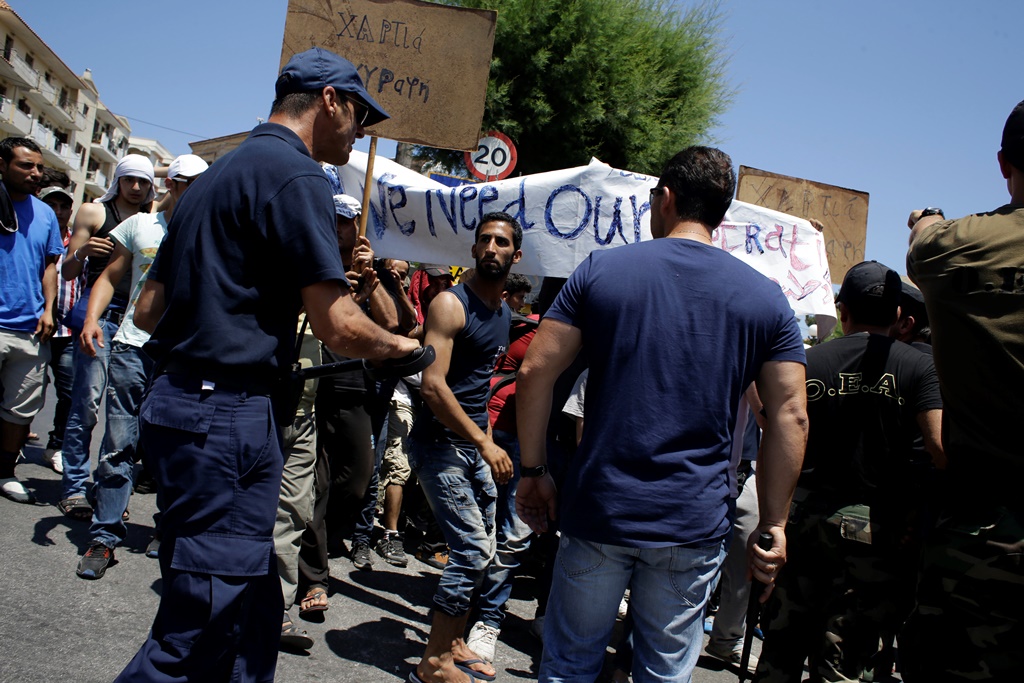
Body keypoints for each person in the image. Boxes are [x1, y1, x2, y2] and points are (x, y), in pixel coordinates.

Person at [114, 47, 418, 682]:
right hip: (225, 416)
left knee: (252, 610)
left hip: (181, 408)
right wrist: (404, 348)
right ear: (329, 100)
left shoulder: (211, 182)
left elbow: (146, 311)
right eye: (359, 114)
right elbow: (338, 325)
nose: (361, 132)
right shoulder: (301, 176)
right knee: (198, 628)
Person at [514, 146, 809, 683]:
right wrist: (774, 524)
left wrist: (533, 472)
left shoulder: (602, 269)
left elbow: (535, 372)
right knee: (664, 673)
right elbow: (790, 417)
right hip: (692, 521)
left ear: (667, 199)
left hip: (601, 508)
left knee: (569, 666)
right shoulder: (767, 301)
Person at [754, 260, 943, 682]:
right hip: (879, 532)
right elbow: (936, 446)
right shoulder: (920, 368)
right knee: (846, 658)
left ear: (842, 311)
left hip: (806, 521)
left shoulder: (808, 363)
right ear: (898, 315)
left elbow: (775, 430)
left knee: (782, 644)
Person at [899, 99, 1024, 682]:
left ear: (1004, 162)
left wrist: (929, 214)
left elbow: (924, 239)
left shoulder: (957, 248)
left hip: (983, 534)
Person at [73, 154, 209, 580]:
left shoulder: (211, 233)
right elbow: (111, 277)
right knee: (118, 443)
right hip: (132, 346)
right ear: (170, 183)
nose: (191, 191)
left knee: (174, 449)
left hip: (182, 355)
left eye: (199, 184)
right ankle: (105, 535)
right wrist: (93, 320)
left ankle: (165, 531)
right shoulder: (139, 227)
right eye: (184, 183)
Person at [408, 212, 522, 683]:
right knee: (472, 550)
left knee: (487, 547)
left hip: (475, 446)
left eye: (502, 242)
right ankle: (432, 666)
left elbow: (478, 387)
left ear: (516, 256)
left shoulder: (503, 313)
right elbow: (434, 388)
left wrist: (486, 443)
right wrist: (483, 442)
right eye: (485, 241)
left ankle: (454, 645)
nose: (492, 247)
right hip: (440, 445)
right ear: (474, 251)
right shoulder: (450, 306)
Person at [58, 153, 155, 521]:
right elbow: (67, 270)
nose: (135, 187)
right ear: (119, 180)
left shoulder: (151, 220)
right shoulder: (94, 213)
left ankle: (108, 491)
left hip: (136, 324)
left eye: (143, 181)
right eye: (129, 179)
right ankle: (73, 487)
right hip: (98, 316)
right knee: (86, 404)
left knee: (125, 414)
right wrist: (82, 252)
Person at [464, 274, 539, 665]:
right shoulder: (512, 325)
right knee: (480, 528)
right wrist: (486, 438)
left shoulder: (555, 330)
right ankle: (462, 605)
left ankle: (488, 618)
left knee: (514, 536)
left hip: (532, 446)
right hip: (493, 437)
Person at [0, 137, 63, 504]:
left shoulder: (45, 214)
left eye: (38, 166)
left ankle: (6, 471)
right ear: (3, 166)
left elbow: (51, 265)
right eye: (26, 165)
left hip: (30, 329)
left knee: (20, 409)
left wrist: (49, 309)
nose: (35, 173)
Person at [36, 175, 80, 474]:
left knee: (69, 392)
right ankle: (10, 446)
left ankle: (57, 444)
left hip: (67, 330)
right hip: (34, 327)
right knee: (27, 391)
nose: (58, 210)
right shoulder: (33, 234)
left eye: (64, 205)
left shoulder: (79, 240)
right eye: (51, 204)